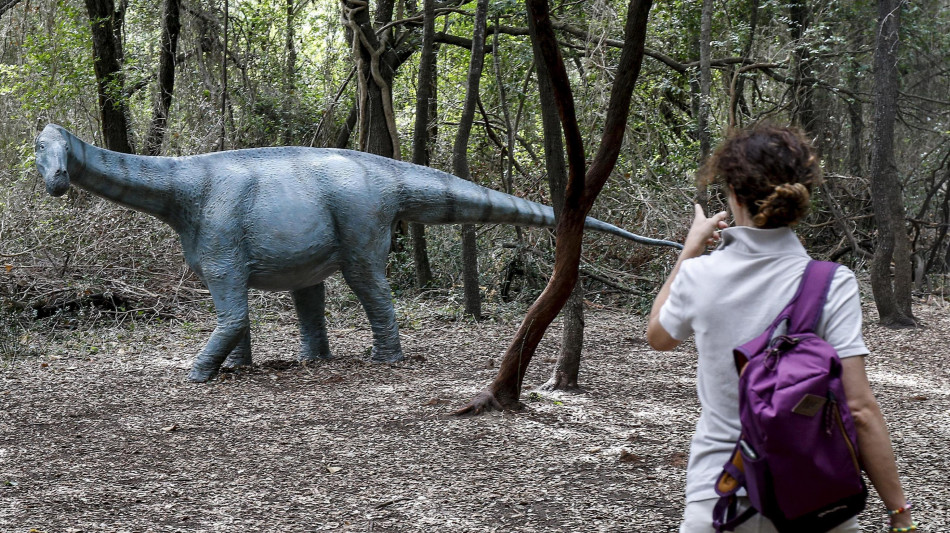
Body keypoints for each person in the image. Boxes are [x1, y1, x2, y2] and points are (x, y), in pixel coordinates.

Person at [646, 123, 916, 533]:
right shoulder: (830, 282)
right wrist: (899, 512)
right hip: (817, 500)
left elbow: (659, 337)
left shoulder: (698, 275)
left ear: (733, 194)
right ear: (801, 193)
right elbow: (859, 410)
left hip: (719, 497)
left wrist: (691, 249)